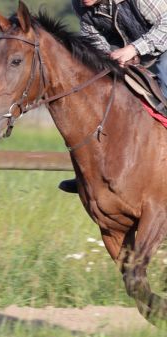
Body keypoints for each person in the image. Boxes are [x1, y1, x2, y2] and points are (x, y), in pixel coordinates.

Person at [59, 0, 167, 193]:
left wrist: (134, 49)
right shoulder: (81, 6)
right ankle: (93, 174)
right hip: (137, 56)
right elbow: (96, 42)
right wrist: (114, 57)